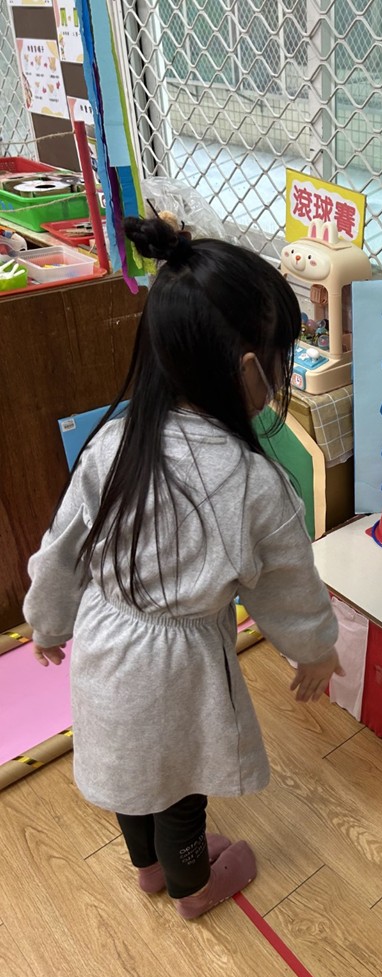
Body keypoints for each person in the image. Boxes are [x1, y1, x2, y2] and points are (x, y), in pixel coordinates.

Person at [23, 215, 343, 920]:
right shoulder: (254, 483)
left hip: (105, 645)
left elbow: (62, 548)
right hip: (180, 668)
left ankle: (149, 870)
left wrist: (45, 623)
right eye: (281, 357)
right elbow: (288, 586)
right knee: (178, 788)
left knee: (131, 773)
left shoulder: (112, 443)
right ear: (250, 370)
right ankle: (193, 887)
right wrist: (316, 650)